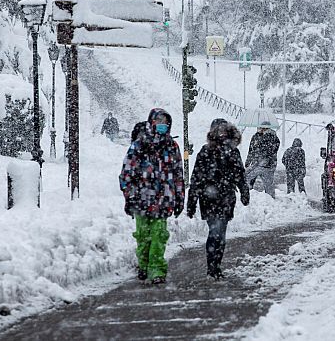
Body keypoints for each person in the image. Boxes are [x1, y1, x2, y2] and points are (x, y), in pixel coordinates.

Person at [119, 108, 185, 284]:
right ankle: (144, 264)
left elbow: (178, 175)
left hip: (163, 200)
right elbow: (126, 172)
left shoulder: (172, 146)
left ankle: (156, 269)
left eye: (165, 122)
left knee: (159, 235)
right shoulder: (139, 145)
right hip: (141, 199)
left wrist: (179, 198)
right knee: (143, 236)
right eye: (159, 121)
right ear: (151, 122)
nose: (162, 124)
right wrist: (129, 195)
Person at [187, 118, 250, 279]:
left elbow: (240, 174)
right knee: (215, 231)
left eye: (224, 130)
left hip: (226, 199)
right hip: (208, 199)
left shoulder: (233, 151)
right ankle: (212, 267)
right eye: (218, 130)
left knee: (220, 233)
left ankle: (216, 265)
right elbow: (196, 178)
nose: (221, 133)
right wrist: (192, 201)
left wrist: (244, 191)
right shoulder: (205, 151)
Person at [245, 122, 280, 198]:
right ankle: (248, 194)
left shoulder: (273, 137)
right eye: (259, 127)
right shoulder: (255, 136)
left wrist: (262, 141)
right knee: (248, 177)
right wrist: (248, 160)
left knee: (268, 183)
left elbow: (271, 151)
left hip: (267, 164)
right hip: (256, 162)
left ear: (266, 128)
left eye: (262, 127)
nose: (259, 129)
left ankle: (270, 198)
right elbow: (251, 150)